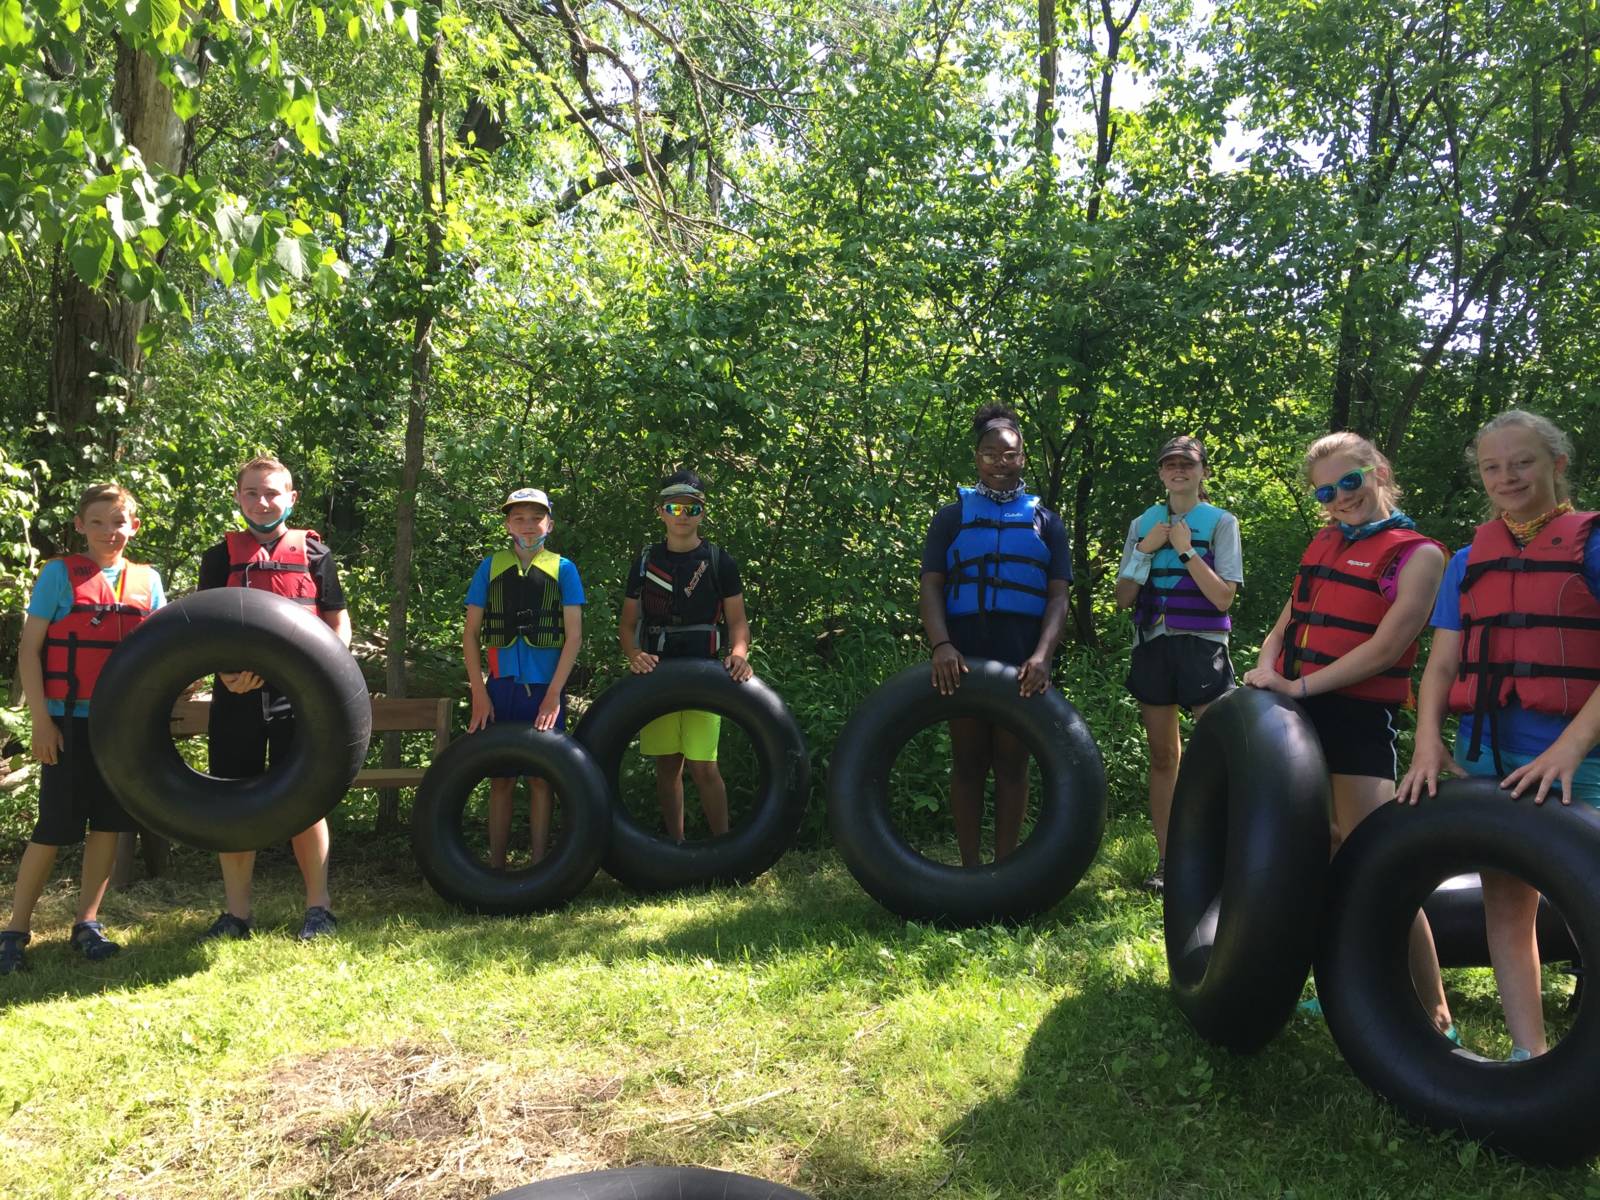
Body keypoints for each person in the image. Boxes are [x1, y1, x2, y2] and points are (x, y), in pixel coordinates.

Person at [1398, 410, 1600, 1060]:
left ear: (1557, 465)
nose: (1507, 476)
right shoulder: (1467, 560)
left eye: (1522, 462)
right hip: (1486, 752)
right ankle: (1528, 1056)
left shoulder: (1593, 546)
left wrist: (1568, 748)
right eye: (1493, 466)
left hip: (1582, 754)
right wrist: (1429, 741)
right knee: (1508, 906)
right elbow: (1443, 665)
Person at [1244, 431, 1454, 1039]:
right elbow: (1288, 622)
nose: (1340, 498)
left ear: (1378, 471)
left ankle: (1435, 1012)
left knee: (1377, 859)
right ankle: (1339, 983)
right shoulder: (1325, 542)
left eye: (1349, 482)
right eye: (1325, 492)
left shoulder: (1419, 554)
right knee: (1324, 850)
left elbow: (1390, 645)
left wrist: (1301, 690)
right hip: (1297, 711)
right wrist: (1268, 666)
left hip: (1356, 716)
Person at [3, 483, 166, 973]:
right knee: (53, 826)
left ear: (133, 526)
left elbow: (163, 651)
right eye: (96, 522)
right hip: (67, 720)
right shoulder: (59, 575)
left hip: (121, 726)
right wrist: (41, 721)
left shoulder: (147, 580)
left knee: (110, 824)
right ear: (80, 526)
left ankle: (87, 923)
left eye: (117, 523)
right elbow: (29, 652)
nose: (108, 532)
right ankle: (14, 931)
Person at [196, 457, 351, 942]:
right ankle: (237, 915)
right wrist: (224, 672)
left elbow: (337, 621)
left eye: (272, 493)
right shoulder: (218, 556)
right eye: (251, 493)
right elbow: (199, 629)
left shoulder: (315, 554)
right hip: (235, 696)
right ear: (238, 496)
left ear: (291, 498)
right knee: (233, 799)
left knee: (305, 801)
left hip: (298, 700)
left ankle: (318, 909)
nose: (262, 502)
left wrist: (328, 671)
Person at [919, 405, 1072, 867]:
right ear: (977, 457)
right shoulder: (951, 517)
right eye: (990, 454)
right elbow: (931, 586)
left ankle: (1004, 868)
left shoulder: (1047, 520)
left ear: (1023, 457)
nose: (1000, 463)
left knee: (1012, 763)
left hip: (1021, 652)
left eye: (1009, 455)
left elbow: (1059, 597)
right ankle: (969, 868)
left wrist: (1043, 655)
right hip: (963, 650)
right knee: (968, 762)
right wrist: (941, 645)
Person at [1113, 436, 1242, 892]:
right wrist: (1145, 550)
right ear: (1161, 474)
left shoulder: (1222, 522)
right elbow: (1124, 598)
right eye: (1169, 464)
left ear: (1202, 471)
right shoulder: (1142, 524)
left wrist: (1186, 550)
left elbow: (1224, 595)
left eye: (1186, 463)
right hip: (1152, 643)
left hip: (1201, 643)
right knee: (1164, 756)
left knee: (1215, 753)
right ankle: (1170, 862)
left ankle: (1222, 855)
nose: (1178, 470)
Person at [618, 470, 751, 842]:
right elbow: (628, 625)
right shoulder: (645, 562)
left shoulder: (719, 561)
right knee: (667, 765)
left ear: (701, 513)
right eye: (674, 507)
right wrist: (634, 655)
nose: (682, 515)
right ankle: (674, 847)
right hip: (657, 674)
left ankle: (724, 845)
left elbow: (738, 622)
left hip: (705, 675)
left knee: (704, 765)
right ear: (660, 511)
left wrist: (738, 654)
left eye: (690, 508)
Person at [463, 487, 584, 867]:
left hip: (544, 691)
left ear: (550, 522)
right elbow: (470, 634)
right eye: (519, 518)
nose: (528, 525)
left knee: (540, 779)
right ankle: (496, 865)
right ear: (507, 524)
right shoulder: (490, 567)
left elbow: (574, 636)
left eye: (536, 517)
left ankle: (538, 865)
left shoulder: (564, 569)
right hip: (499, 689)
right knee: (500, 780)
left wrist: (554, 694)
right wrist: (480, 693)